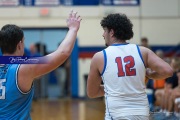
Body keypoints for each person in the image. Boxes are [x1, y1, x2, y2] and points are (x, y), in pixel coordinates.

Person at [86, 13, 173, 120]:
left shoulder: (99, 57)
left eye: (105, 30)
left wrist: (115, 87)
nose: (103, 34)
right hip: (142, 114)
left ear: (112, 32)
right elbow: (168, 71)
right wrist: (151, 75)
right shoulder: (143, 51)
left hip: (117, 114)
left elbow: (92, 92)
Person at [0, 10, 81, 119]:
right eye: (24, 41)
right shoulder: (24, 67)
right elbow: (63, 53)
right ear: (20, 45)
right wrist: (73, 29)